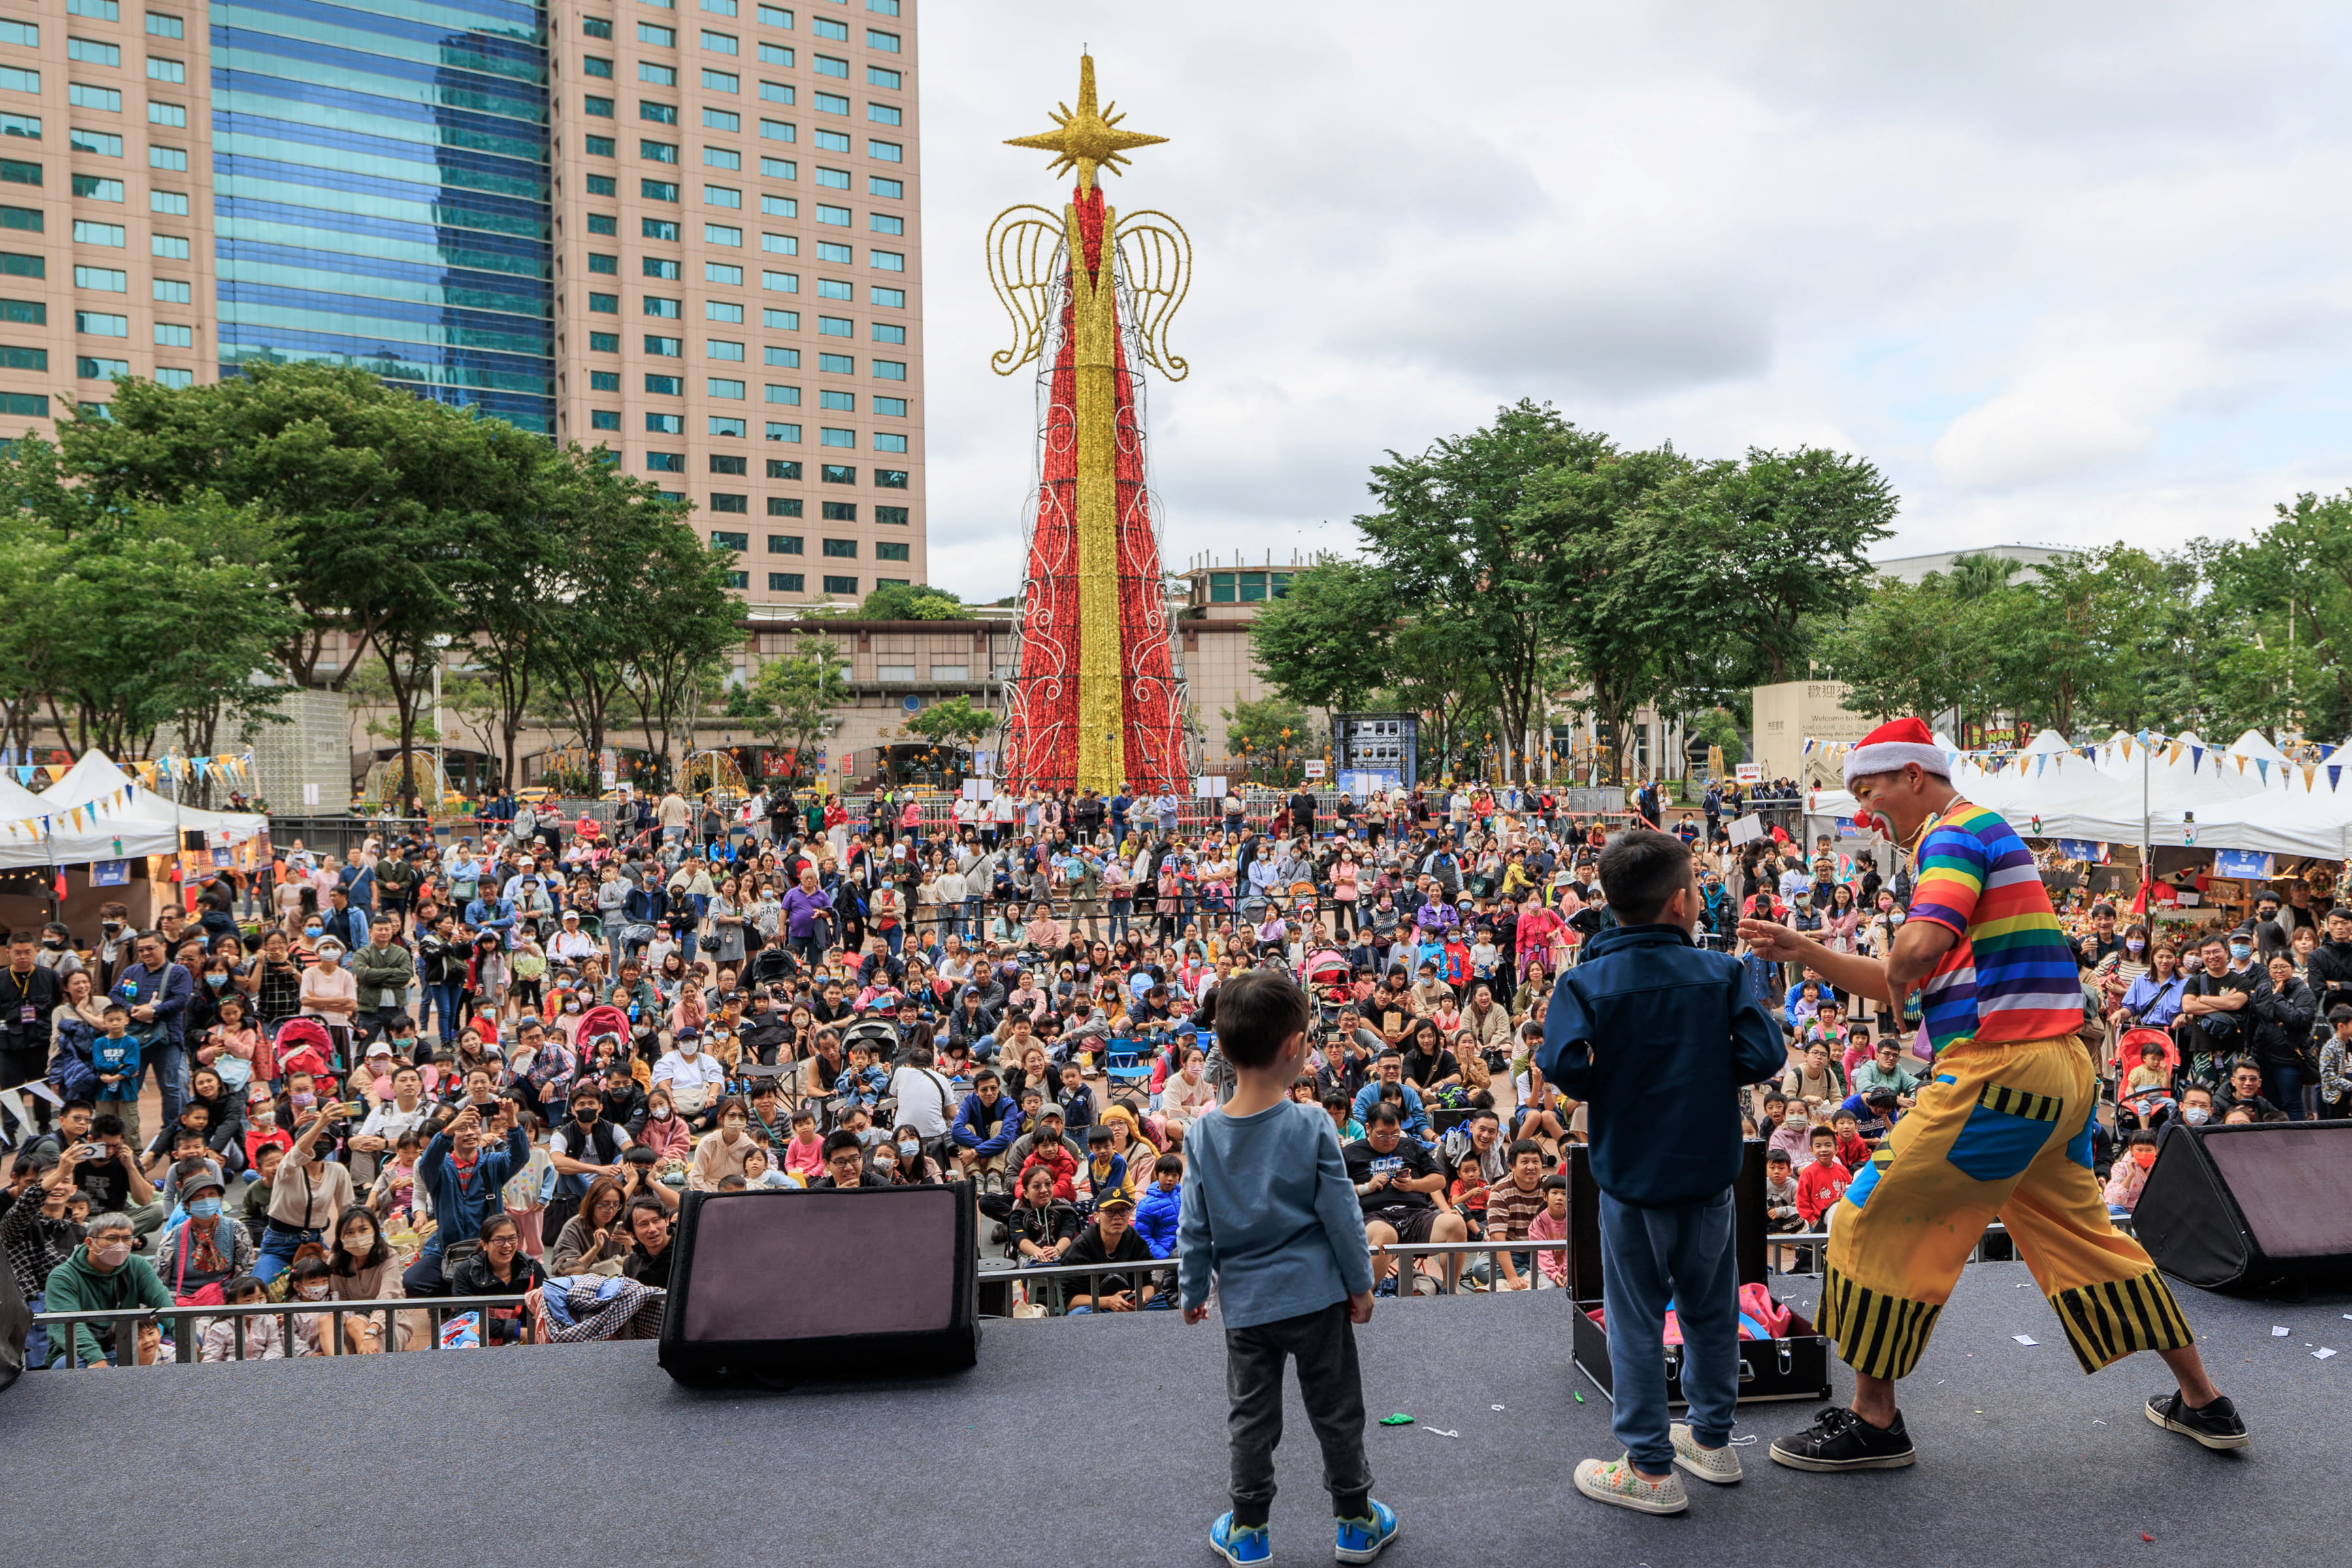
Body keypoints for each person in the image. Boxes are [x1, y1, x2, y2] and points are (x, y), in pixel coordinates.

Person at [1738, 717, 2242, 1472]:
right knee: (2088, 1240)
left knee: (1865, 1217)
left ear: (1914, 776)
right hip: (2057, 1077)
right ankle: (2205, 1402)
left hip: (1998, 1075)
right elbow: (1900, 977)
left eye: (1867, 789)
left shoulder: (1952, 834)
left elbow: (1915, 952)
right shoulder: (1975, 840)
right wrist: (1808, 950)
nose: (1863, 809)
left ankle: (1876, 1420)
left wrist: (1903, 945)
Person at [1535, 828, 1783, 1514]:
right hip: (1709, 1176)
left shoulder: (1585, 981)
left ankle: (1649, 1468)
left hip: (1632, 1179)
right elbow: (1764, 1055)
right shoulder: (1722, 973)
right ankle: (1711, 1440)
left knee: (1637, 1318)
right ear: (1681, 903)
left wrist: (1617, 1079)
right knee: (1710, 1310)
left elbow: (1561, 1065)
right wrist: (1703, 1071)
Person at [1175, 968, 1395, 1567]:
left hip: (1246, 1308)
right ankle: (1355, 1522)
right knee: (1336, 1411)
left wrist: (1193, 1290)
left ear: (1220, 1046)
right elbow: (1343, 1216)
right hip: (1319, 1300)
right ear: (1296, 1046)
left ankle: (1249, 1533)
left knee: (1251, 1418)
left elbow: (1194, 1226)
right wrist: (1362, 1284)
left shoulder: (1202, 1135)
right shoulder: (1311, 1123)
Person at [42, 1208, 172, 1367]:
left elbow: (164, 1305)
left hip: (129, 1343)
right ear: (90, 1243)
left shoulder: (137, 1265)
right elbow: (65, 1325)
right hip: (81, 1351)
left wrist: (186, 1338)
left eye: (126, 1239)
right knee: (67, 1366)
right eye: (112, 1239)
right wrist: (95, 1358)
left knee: (191, 1340)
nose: (121, 1245)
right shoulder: (63, 1277)